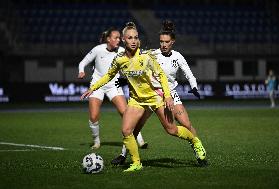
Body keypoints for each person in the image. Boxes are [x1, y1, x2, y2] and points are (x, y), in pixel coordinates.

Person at [81, 22, 206, 172]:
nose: (133, 41)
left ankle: (195, 141)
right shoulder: (120, 59)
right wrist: (93, 88)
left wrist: (167, 96)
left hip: (155, 97)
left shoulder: (147, 57)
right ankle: (136, 163)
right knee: (127, 130)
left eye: (136, 37)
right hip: (137, 100)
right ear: (123, 40)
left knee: (171, 130)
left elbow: (161, 75)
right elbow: (108, 75)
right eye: (130, 38)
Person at [78, 27, 147, 150]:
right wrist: (81, 71)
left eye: (120, 38)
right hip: (97, 85)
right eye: (116, 38)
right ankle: (96, 141)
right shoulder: (98, 50)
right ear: (108, 39)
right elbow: (82, 63)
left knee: (126, 113)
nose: (118, 40)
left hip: (113, 85)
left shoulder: (122, 51)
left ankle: (139, 139)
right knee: (93, 116)